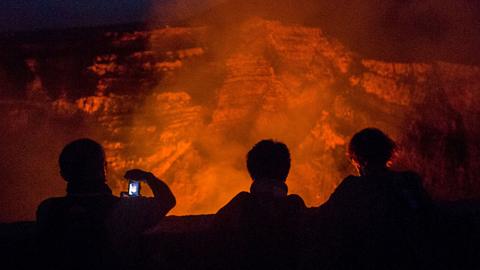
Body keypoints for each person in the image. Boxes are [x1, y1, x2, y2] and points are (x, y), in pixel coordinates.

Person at [36, 138, 175, 270]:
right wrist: (148, 177)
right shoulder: (124, 211)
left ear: (64, 174)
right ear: (104, 169)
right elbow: (167, 200)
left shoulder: (47, 209)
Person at [313, 128, 433, 270]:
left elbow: (322, 219)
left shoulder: (353, 188)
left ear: (359, 160)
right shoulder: (408, 181)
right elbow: (429, 217)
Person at [213, 139, 306, 269]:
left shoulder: (242, 203)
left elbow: (215, 229)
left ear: (252, 172)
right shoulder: (295, 205)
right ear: (286, 171)